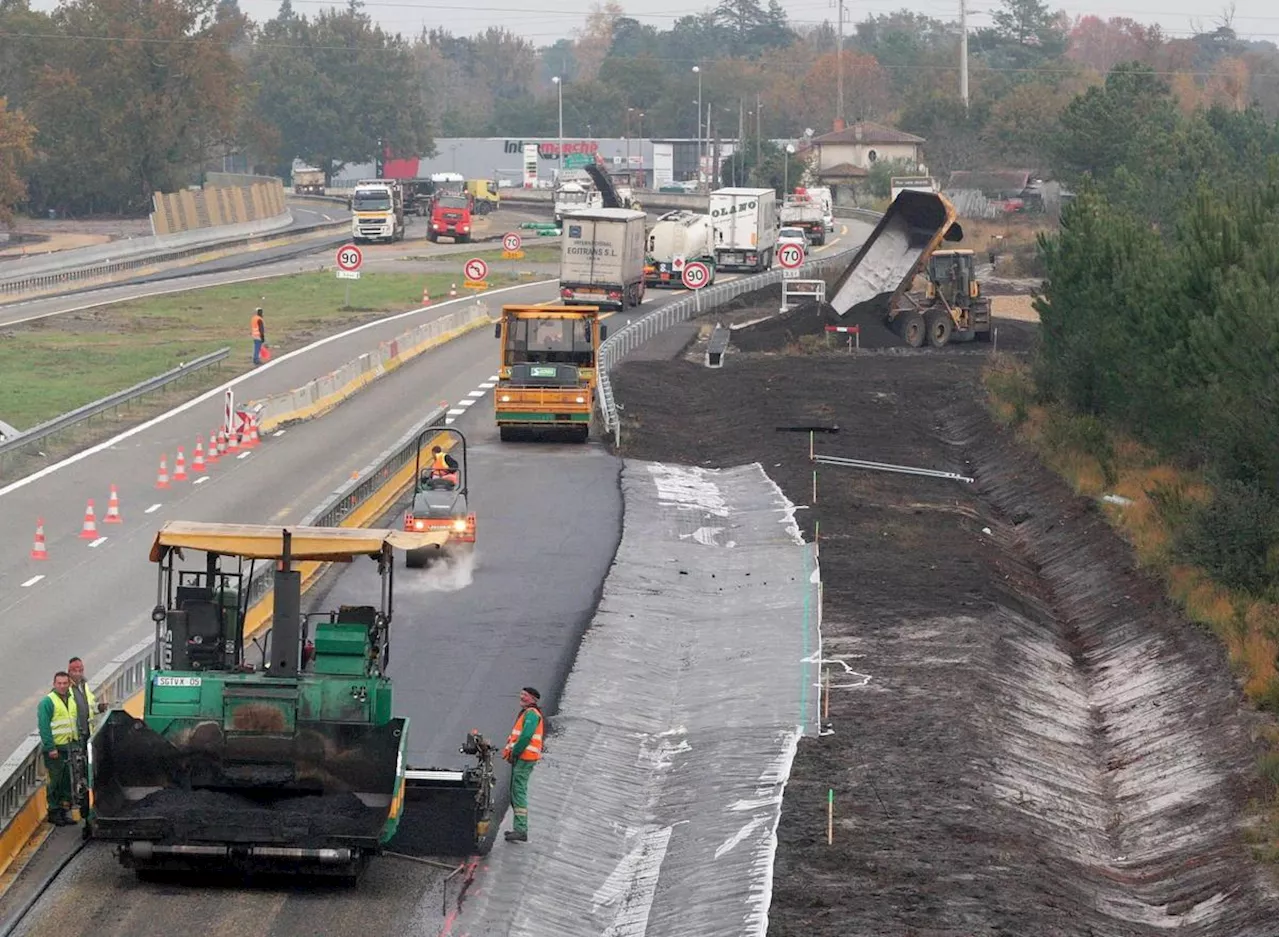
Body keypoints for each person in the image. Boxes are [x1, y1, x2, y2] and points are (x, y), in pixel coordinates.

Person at [501, 686, 544, 844]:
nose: (521, 697)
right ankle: (519, 828)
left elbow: (526, 736)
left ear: (533, 698)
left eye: (525, 695)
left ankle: (521, 829)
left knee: (518, 790)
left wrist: (515, 753)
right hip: (524, 758)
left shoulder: (532, 714)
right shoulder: (528, 713)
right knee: (517, 789)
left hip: (525, 758)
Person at [37, 672, 77, 826]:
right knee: (55, 781)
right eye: (59, 683)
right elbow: (44, 727)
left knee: (66, 781)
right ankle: (53, 811)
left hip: (68, 747)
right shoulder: (48, 702)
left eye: (65, 683)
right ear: (54, 684)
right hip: (55, 750)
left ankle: (62, 810)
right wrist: (50, 747)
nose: (62, 686)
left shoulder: (70, 699)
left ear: (69, 684)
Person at [67, 656, 107, 741]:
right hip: (72, 738)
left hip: (86, 733)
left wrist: (100, 707)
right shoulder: (65, 688)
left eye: (80, 671)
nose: (78, 674)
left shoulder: (84, 686)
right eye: (75, 671)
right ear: (69, 671)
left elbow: (90, 706)